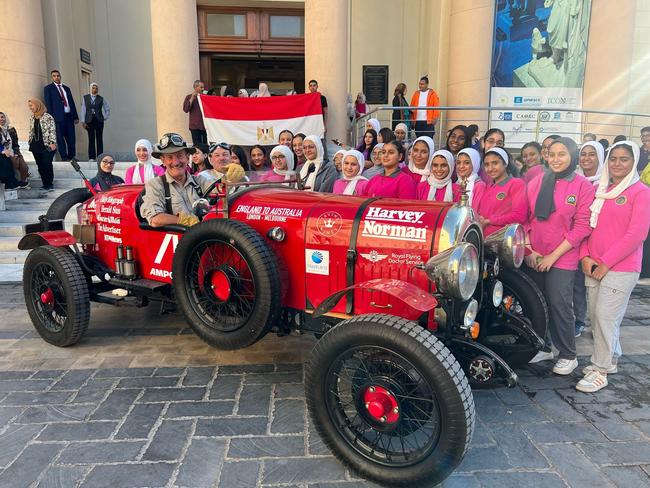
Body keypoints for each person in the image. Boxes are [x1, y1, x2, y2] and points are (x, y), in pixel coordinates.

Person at [577, 141, 650, 392]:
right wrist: (585, 256)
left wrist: (605, 263)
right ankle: (611, 357)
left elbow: (636, 234)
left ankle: (600, 369)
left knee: (606, 316)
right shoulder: (600, 189)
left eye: (624, 159)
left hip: (621, 267)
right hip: (593, 264)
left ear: (634, 163)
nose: (617, 164)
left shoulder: (641, 192)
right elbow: (587, 226)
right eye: (613, 159)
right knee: (597, 316)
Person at [525, 137, 595, 373]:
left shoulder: (582, 185)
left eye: (562, 154)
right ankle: (542, 346)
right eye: (551, 154)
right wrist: (529, 249)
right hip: (535, 253)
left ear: (572, 156)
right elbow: (525, 218)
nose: (556, 159)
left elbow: (582, 226)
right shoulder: (536, 181)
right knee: (536, 302)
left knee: (559, 303)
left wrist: (552, 257)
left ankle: (567, 353)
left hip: (563, 255)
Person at [140, 133, 215, 227]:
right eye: (169, 157)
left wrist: (231, 177)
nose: (175, 162)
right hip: (179, 240)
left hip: (207, 237)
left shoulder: (200, 181)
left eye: (180, 156)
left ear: (187, 158)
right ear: (163, 161)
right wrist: (183, 220)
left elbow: (224, 195)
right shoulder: (155, 185)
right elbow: (155, 219)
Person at [572, 140, 605, 337]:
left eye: (592, 154)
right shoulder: (574, 179)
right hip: (578, 239)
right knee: (577, 283)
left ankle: (599, 325)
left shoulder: (607, 183)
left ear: (600, 157)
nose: (586, 158)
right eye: (583, 154)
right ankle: (579, 319)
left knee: (598, 286)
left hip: (599, 242)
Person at [474, 147, 527, 237]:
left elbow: (519, 216)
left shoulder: (516, 184)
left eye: (495, 163)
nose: (490, 168)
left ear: (505, 163)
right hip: (485, 239)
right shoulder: (488, 186)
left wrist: (490, 221)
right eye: (487, 165)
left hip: (504, 240)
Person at [43, 69, 78, 161]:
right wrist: (51, 118)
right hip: (57, 118)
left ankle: (72, 156)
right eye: (54, 76)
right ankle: (64, 157)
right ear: (52, 77)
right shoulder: (48, 89)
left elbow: (71, 102)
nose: (56, 77)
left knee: (71, 138)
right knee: (60, 139)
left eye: (58, 76)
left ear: (60, 77)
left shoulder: (66, 88)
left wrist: (75, 116)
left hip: (69, 116)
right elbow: (48, 104)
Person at [27, 98, 57, 191]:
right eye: (29, 106)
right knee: (40, 165)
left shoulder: (48, 117)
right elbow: (31, 130)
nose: (30, 108)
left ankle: (49, 183)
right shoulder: (32, 117)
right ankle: (45, 184)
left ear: (37, 105)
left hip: (46, 144)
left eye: (31, 105)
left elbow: (52, 130)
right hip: (35, 145)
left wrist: (52, 142)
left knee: (46, 163)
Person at [80, 83, 110, 161]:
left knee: (99, 139)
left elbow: (107, 108)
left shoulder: (101, 98)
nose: (95, 89)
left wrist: (105, 117)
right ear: (90, 89)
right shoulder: (85, 98)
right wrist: (83, 121)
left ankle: (100, 156)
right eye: (93, 88)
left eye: (96, 88)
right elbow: (83, 109)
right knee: (91, 138)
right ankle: (91, 157)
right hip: (89, 121)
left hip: (99, 121)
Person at [0, 112, 29, 181]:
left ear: (5, 118)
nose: (1, 119)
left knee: (24, 167)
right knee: (15, 163)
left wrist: (16, 153)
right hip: (4, 153)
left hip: (13, 150)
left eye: (2, 117)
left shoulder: (11, 129)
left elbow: (15, 144)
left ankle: (23, 182)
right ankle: (15, 182)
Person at [308, 80, 328, 160]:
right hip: (310, 124)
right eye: (311, 85)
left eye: (314, 85)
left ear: (317, 86)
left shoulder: (322, 98)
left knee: (322, 142)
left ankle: (325, 159)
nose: (312, 87)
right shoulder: (307, 98)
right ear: (309, 87)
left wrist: (325, 125)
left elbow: (326, 112)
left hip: (320, 124)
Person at [183, 80, 207, 145]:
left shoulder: (205, 97)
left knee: (206, 145)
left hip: (205, 125)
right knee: (197, 146)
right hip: (195, 126)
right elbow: (186, 109)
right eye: (201, 87)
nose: (203, 89)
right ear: (195, 87)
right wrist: (192, 98)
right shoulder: (188, 97)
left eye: (203, 87)